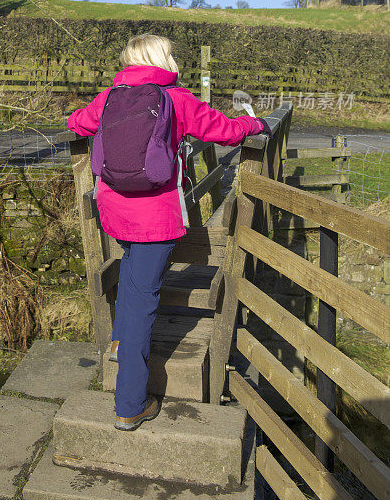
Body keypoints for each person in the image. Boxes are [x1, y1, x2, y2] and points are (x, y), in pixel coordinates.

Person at [67, 33, 271, 431]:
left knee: (131, 271)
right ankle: (129, 404)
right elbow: (225, 131)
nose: (176, 59)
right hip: (153, 217)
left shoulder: (111, 95)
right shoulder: (175, 98)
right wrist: (256, 123)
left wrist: (72, 121)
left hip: (113, 208)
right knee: (144, 299)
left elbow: (79, 122)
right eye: (172, 53)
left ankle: (119, 344)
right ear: (161, 58)